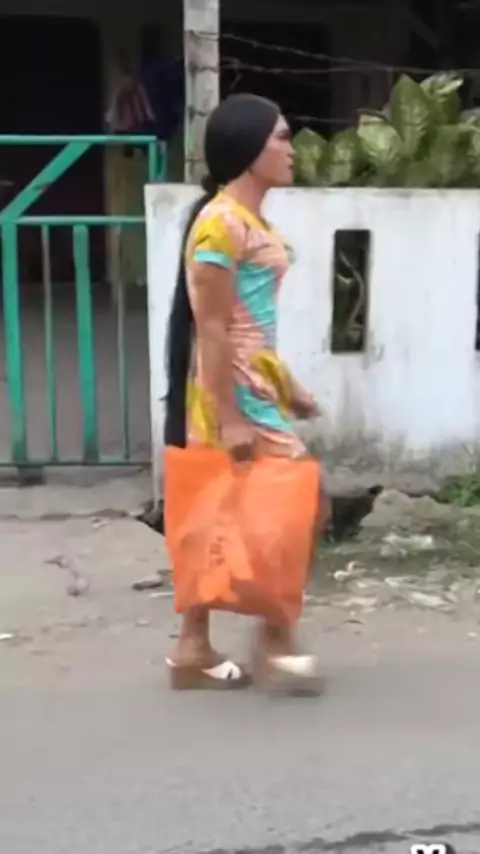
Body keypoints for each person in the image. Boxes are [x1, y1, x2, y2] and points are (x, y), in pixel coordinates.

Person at [164, 93, 328, 692]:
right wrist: (229, 416)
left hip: (253, 386)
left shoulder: (245, 220)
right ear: (248, 147)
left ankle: (195, 648)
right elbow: (211, 327)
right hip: (232, 392)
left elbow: (249, 322)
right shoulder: (221, 223)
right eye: (281, 137)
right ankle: (274, 640)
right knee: (305, 504)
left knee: (220, 511)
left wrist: (290, 387)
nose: (291, 148)